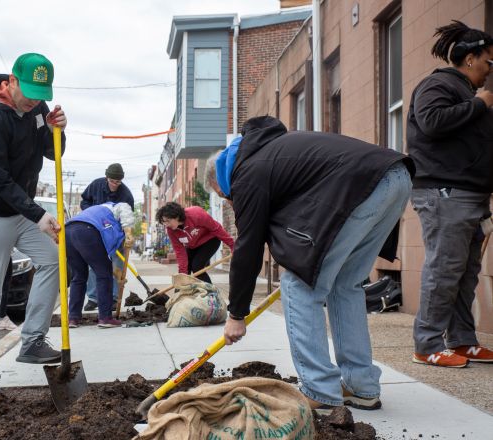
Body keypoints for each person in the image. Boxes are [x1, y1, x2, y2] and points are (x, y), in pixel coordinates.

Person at [206, 116, 414, 413]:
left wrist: (236, 314)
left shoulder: (247, 174)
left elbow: (248, 247)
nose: (228, 201)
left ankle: (318, 387)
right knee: (345, 285)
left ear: (220, 179)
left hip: (361, 187)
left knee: (298, 285)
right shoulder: (271, 152)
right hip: (396, 176)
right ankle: (361, 386)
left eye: (223, 196)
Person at [0, 52, 67, 394]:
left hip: (19, 209)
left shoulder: (36, 109)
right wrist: (37, 213)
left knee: (52, 260)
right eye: (31, 91)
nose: (36, 99)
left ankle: (33, 340)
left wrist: (57, 131)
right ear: (12, 80)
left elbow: (52, 153)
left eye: (42, 92)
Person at [407, 21, 493, 368]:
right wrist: (479, 105)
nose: (490, 70)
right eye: (489, 61)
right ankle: (426, 345)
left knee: (465, 273)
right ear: (470, 58)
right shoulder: (438, 84)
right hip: (445, 193)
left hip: (471, 196)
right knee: (444, 270)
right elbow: (430, 121)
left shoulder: (470, 95)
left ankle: (461, 341)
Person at [66, 202, 134, 328]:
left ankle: (73, 318)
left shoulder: (100, 215)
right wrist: (129, 231)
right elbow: (126, 212)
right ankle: (105, 318)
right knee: (104, 275)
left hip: (68, 232)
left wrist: (118, 275)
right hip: (87, 231)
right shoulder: (117, 206)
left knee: (79, 276)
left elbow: (105, 258)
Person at [80, 163, 134, 311]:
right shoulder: (96, 185)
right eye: (112, 181)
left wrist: (127, 234)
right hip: (96, 230)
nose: (115, 185)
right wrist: (91, 213)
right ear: (106, 178)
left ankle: (114, 298)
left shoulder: (126, 195)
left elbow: (127, 218)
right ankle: (93, 298)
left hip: (116, 233)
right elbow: (84, 200)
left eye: (118, 182)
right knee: (94, 263)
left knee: (117, 265)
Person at [155, 202, 234, 284]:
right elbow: (180, 251)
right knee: (185, 270)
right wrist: (182, 277)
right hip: (192, 246)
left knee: (197, 267)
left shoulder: (196, 214)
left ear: (177, 216)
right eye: (164, 222)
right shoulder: (171, 230)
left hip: (210, 240)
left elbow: (216, 228)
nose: (167, 224)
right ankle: (184, 293)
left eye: (168, 221)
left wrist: (232, 246)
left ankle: (211, 293)